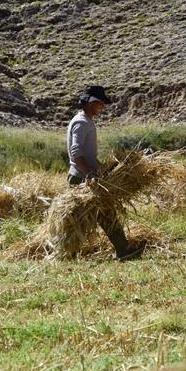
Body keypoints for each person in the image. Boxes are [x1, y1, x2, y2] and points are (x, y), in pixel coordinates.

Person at [67, 86, 143, 261]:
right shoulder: (82, 122)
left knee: (106, 213)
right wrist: (89, 174)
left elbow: (87, 154)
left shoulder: (85, 120)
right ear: (91, 102)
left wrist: (102, 168)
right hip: (81, 178)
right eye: (100, 103)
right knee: (79, 220)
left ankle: (123, 250)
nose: (103, 107)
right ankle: (67, 253)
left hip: (85, 175)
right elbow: (76, 152)